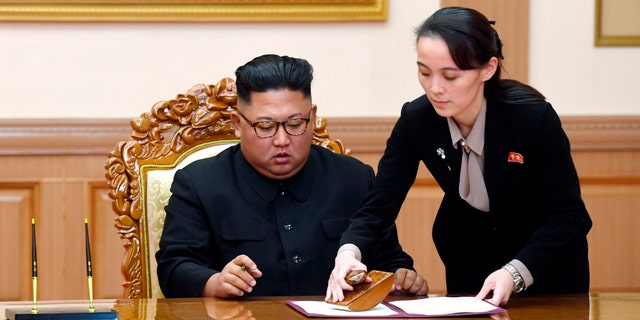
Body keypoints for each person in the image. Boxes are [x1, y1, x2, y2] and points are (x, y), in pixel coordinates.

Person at [325, 7, 592, 306]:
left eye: (450, 76)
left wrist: (515, 273)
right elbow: (378, 206)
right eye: (424, 72)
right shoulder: (417, 119)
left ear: (488, 69)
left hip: (545, 267)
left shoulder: (532, 119)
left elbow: (569, 216)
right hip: (469, 261)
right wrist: (348, 253)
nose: (434, 88)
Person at [156, 54, 429, 298]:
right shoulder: (198, 184)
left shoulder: (354, 178)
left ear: (313, 117)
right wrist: (215, 282)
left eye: (295, 124)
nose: (282, 140)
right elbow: (173, 268)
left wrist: (403, 276)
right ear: (237, 124)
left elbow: (390, 260)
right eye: (265, 126)